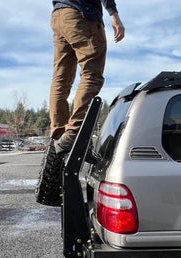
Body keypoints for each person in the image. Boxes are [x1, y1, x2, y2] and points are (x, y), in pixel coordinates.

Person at [49, 0, 125, 158]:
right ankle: (75, 133)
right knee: (91, 73)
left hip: (58, 17)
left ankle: (59, 135)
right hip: (83, 13)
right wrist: (114, 14)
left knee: (60, 79)